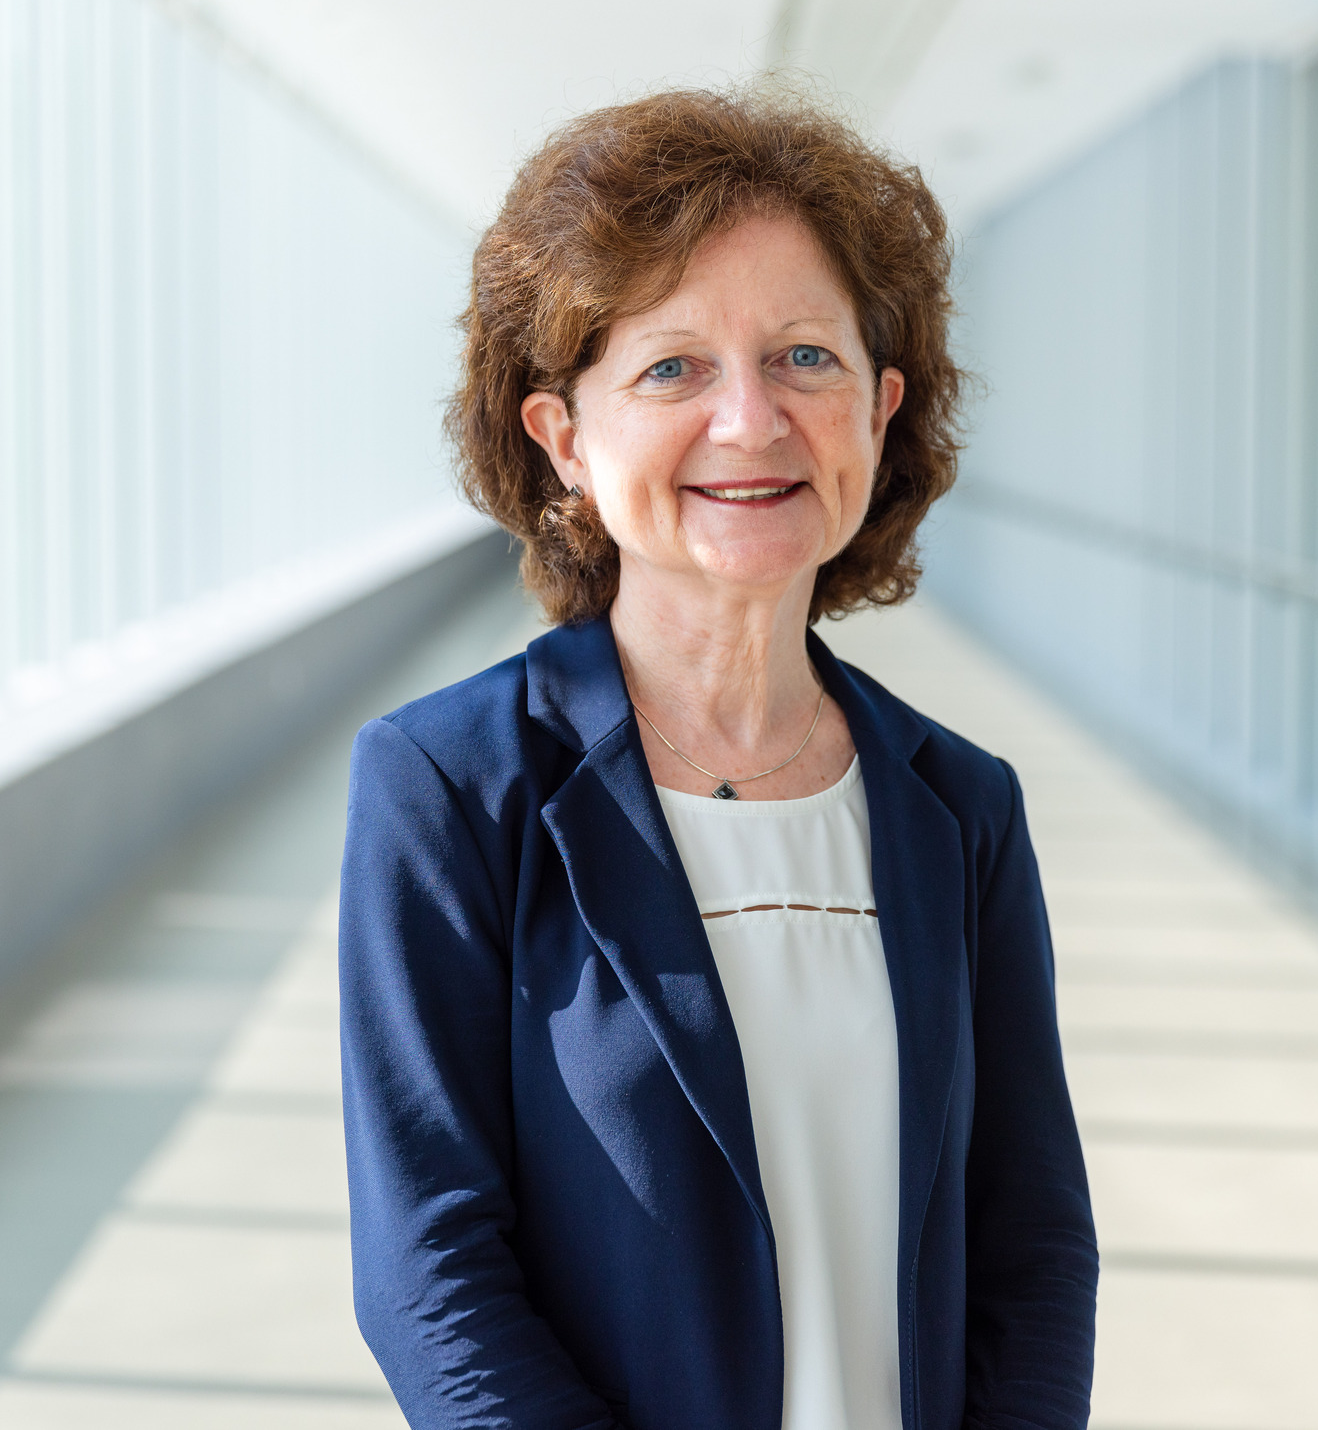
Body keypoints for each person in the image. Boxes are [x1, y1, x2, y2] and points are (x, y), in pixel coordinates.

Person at [339, 86, 1097, 1430]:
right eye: (672, 367)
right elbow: (431, 1272)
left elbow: (1034, 1252)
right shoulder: (451, 787)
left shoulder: (961, 805)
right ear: (563, 435)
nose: (751, 422)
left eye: (806, 357)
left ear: (882, 408)